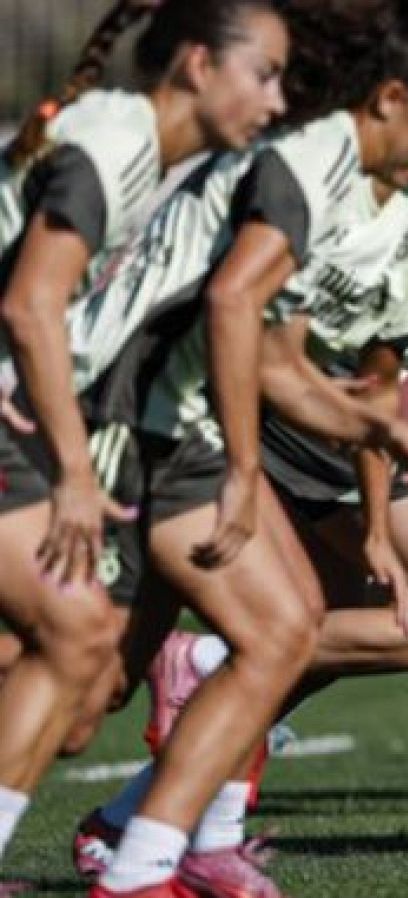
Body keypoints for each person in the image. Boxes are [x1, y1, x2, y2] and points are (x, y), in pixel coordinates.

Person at [75, 2, 408, 894]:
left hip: (175, 420)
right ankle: (139, 865)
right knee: (87, 663)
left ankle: (140, 857)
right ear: (388, 97)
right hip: (131, 414)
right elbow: (229, 309)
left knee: (111, 678)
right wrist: (249, 474)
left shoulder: (370, 194)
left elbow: (282, 361)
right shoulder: (310, 162)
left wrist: (371, 428)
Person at [0, 0, 288, 882]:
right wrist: (78, 476)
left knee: (70, 662)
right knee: (79, 630)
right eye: (265, 74)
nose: (276, 101)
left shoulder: (145, 153)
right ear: (198, 65)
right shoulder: (115, 142)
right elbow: (28, 304)